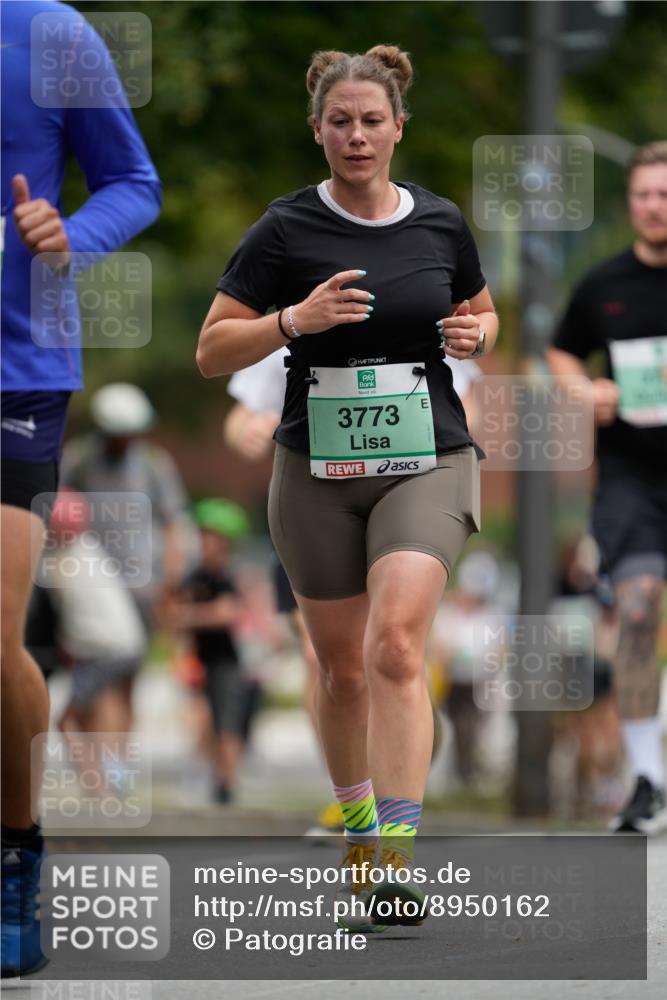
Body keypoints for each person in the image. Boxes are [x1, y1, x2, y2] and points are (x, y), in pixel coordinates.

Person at [197, 46, 498, 929]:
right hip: (316, 470)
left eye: (372, 121)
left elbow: (482, 311)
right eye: (340, 121)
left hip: (427, 454)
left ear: (398, 127)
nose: (356, 136)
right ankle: (358, 831)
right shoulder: (283, 229)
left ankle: (395, 858)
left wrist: (475, 336)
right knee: (337, 670)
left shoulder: (439, 222)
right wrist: (292, 321)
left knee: (396, 648)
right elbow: (212, 351)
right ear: (318, 130)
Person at [1, 1, 161, 977]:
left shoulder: (50, 31)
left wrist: (69, 235)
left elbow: (131, 181)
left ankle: (15, 851)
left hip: (15, 373)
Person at [547, 141, 667, 834]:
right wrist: (581, 388)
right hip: (631, 477)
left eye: (664, 195)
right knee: (637, 609)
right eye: (644, 196)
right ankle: (646, 778)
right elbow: (561, 349)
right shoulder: (603, 284)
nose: (654, 207)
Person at [164, 499, 252, 804]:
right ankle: (212, 774)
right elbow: (170, 613)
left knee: (226, 723)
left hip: (225, 661)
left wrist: (190, 616)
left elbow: (228, 611)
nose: (207, 544)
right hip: (198, 660)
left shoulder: (226, 576)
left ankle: (228, 781)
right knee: (202, 720)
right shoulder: (192, 577)